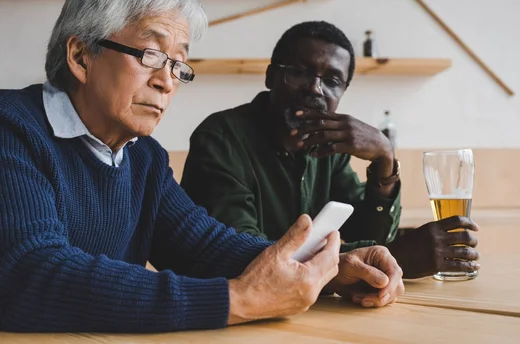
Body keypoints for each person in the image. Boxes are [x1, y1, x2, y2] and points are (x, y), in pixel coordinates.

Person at [0, 0, 404, 335]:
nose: (167, 79)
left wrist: (330, 267)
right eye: (151, 54)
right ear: (80, 57)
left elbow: (206, 246)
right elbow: (28, 277)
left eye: (179, 64)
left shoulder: (143, 156)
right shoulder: (4, 123)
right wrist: (236, 299)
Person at [181, 21, 480, 279]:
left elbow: (369, 234)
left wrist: (384, 160)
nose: (315, 88)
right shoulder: (220, 138)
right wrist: (393, 256)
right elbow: (242, 253)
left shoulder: (328, 148)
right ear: (271, 76)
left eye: (332, 81)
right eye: (299, 72)